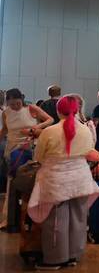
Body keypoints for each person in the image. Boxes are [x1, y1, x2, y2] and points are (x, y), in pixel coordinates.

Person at [29, 95, 99, 270]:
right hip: (81, 179)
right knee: (78, 218)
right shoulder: (86, 130)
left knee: (56, 220)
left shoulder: (49, 132)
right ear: (77, 110)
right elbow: (89, 152)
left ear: (58, 111)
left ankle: (55, 259)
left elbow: (38, 157)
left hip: (56, 181)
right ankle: (73, 255)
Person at [0, 89, 54, 230]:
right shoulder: (6, 113)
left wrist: (36, 127)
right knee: (11, 185)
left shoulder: (31, 108)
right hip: (12, 151)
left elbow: (50, 119)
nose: (15, 107)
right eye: (11, 104)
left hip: (29, 149)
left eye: (17, 103)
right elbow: (5, 130)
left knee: (30, 184)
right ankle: (10, 219)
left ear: (21, 99)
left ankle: (30, 218)